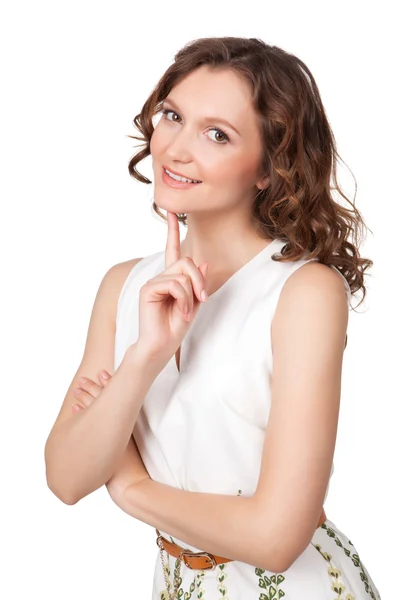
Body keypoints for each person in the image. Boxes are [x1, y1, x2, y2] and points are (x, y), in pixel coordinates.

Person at [44, 36, 382, 599]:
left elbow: (277, 537)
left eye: (217, 134)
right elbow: (66, 476)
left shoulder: (303, 292)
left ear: (269, 170)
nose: (175, 149)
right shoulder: (123, 286)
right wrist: (145, 356)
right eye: (172, 116)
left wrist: (130, 488)